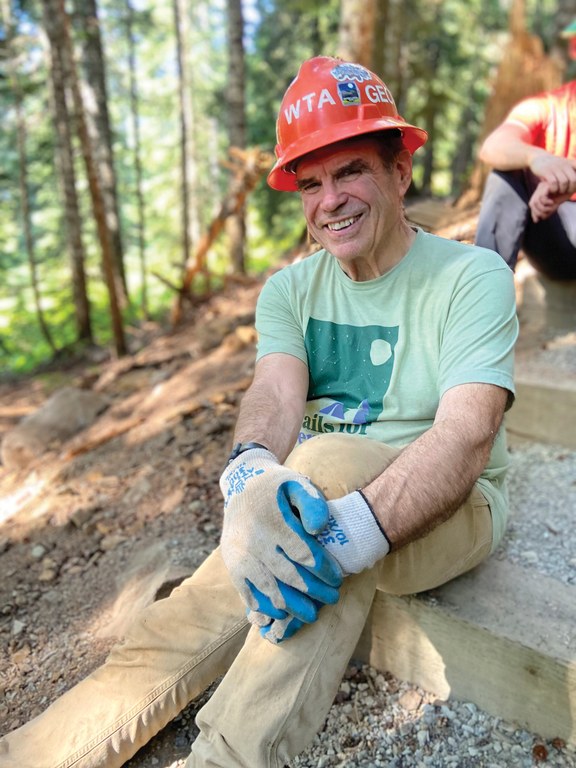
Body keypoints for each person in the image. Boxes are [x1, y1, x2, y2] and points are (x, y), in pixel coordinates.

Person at [0, 56, 518, 768]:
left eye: (351, 172)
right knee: (231, 562)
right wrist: (246, 482)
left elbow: (465, 438)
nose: (329, 200)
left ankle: (228, 757)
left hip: (450, 508)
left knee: (320, 470)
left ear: (401, 172)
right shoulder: (289, 291)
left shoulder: (472, 276)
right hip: (310, 496)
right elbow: (275, 394)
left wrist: (341, 536)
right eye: (310, 184)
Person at [474, 24, 576, 279]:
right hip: (557, 238)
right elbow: (493, 146)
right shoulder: (546, 106)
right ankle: (485, 286)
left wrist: (568, 180)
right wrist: (538, 159)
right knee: (507, 172)